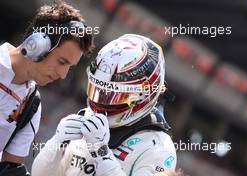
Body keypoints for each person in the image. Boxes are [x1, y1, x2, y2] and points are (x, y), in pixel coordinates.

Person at [31, 34, 177, 176]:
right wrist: (56, 144)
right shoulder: (86, 119)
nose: (103, 102)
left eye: (114, 95)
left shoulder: (159, 148)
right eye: (99, 91)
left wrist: (101, 153)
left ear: (145, 94)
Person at [0, 0, 94, 175]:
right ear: (37, 44)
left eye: (69, 67)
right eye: (61, 62)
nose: (63, 75)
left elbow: (9, 170)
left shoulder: (32, 106)